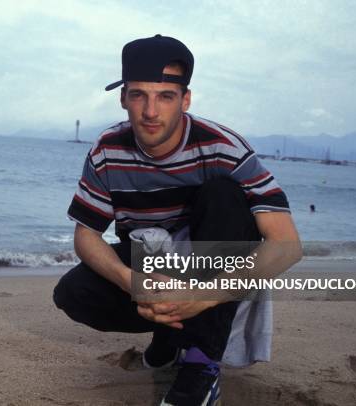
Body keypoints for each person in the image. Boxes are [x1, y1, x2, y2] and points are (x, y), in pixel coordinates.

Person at [53, 35, 301, 405]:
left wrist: (201, 297)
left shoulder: (223, 146)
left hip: (211, 263)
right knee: (73, 293)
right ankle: (169, 336)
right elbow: (86, 236)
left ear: (185, 99)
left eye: (165, 96)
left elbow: (286, 245)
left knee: (224, 195)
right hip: (150, 262)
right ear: (123, 98)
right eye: (139, 95)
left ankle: (200, 365)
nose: (151, 111)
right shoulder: (107, 149)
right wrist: (131, 281)